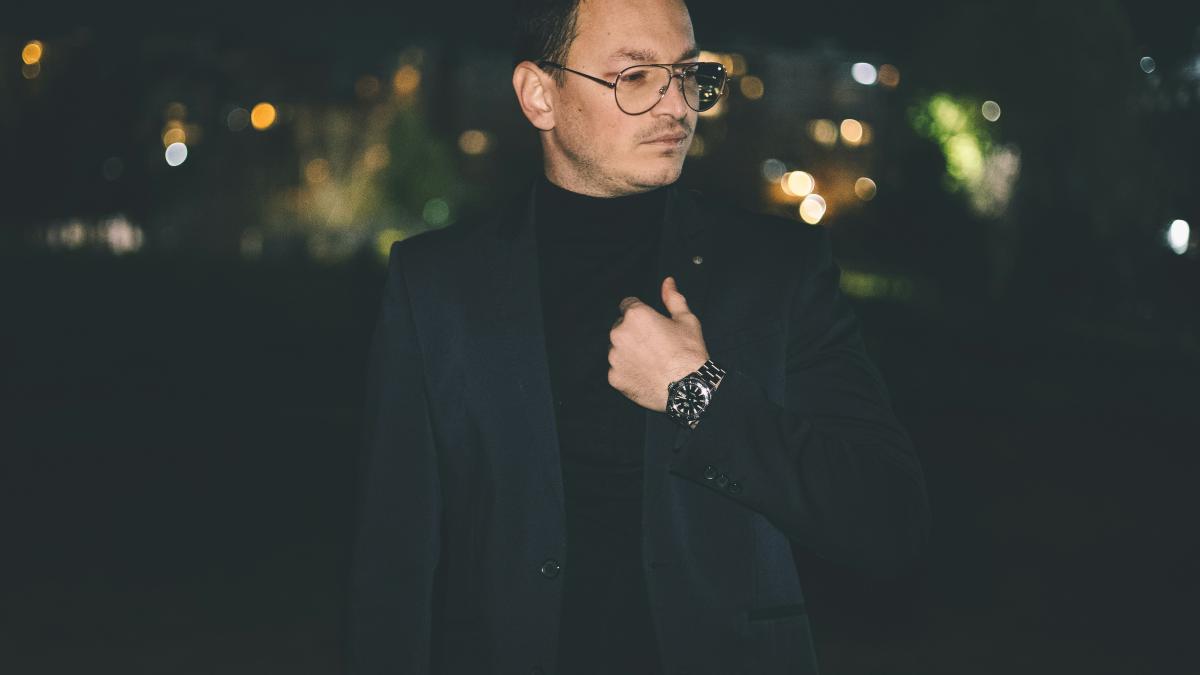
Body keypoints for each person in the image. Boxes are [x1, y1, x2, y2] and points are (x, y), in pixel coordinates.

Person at [344, 0, 931, 673]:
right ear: (539, 95)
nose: (677, 105)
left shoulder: (777, 271)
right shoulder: (436, 284)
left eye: (688, 75)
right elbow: (392, 565)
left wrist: (699, 394)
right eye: (637, 76)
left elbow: (889, 523)